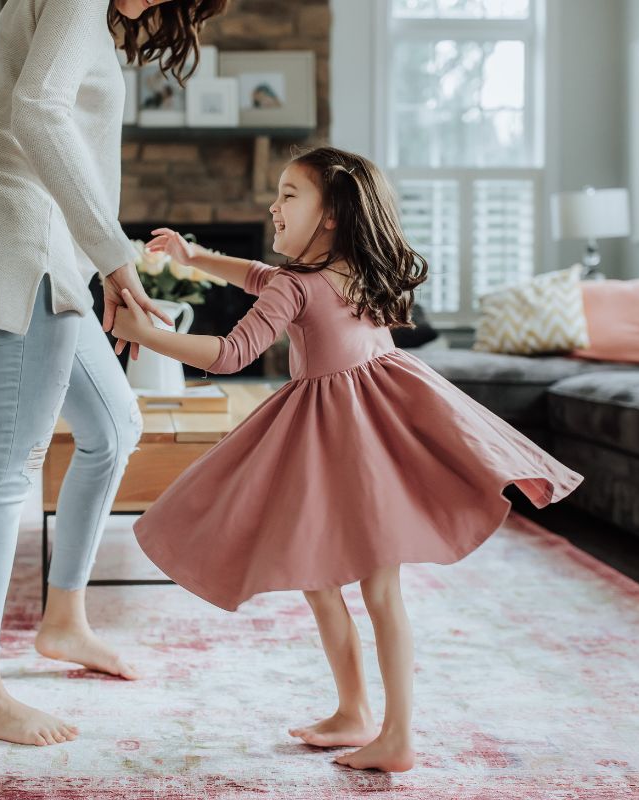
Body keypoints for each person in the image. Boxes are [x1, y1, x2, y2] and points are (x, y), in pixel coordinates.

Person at [111, 146, 585, 773]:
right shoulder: (354, 269)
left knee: (364, 585)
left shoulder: (299, 286)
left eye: (288, 195)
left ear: (330, 212)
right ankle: (356, 713)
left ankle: (396, 736)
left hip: (341, 437)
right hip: (374, 429)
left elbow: (229, 354)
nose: (273, 207)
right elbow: (262, 276)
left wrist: (146, 335)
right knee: (328, 578)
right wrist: (195, 258)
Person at [0, 0, 228, 747]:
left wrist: (101, 269)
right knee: (4, 469)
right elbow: (38, 112)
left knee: (116, 426)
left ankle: (64, 621)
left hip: (45, 248)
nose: (157, 5)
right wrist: (119, 260)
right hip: (11, 234)